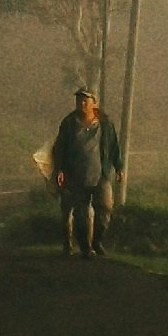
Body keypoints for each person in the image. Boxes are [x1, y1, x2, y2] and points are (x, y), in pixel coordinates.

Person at [51, 89, 122, 258]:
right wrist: (60, 169)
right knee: (81, 213)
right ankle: (86, 247)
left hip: (100, 174)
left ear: (94, 103)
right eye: (79, 101)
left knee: (105, 207)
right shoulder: (69, 123)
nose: (81, 104)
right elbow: (59, 147)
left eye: (85, 101)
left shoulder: (105, 123)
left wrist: (118, 167)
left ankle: (97, 239)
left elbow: (113, 146)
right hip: (77, 175)